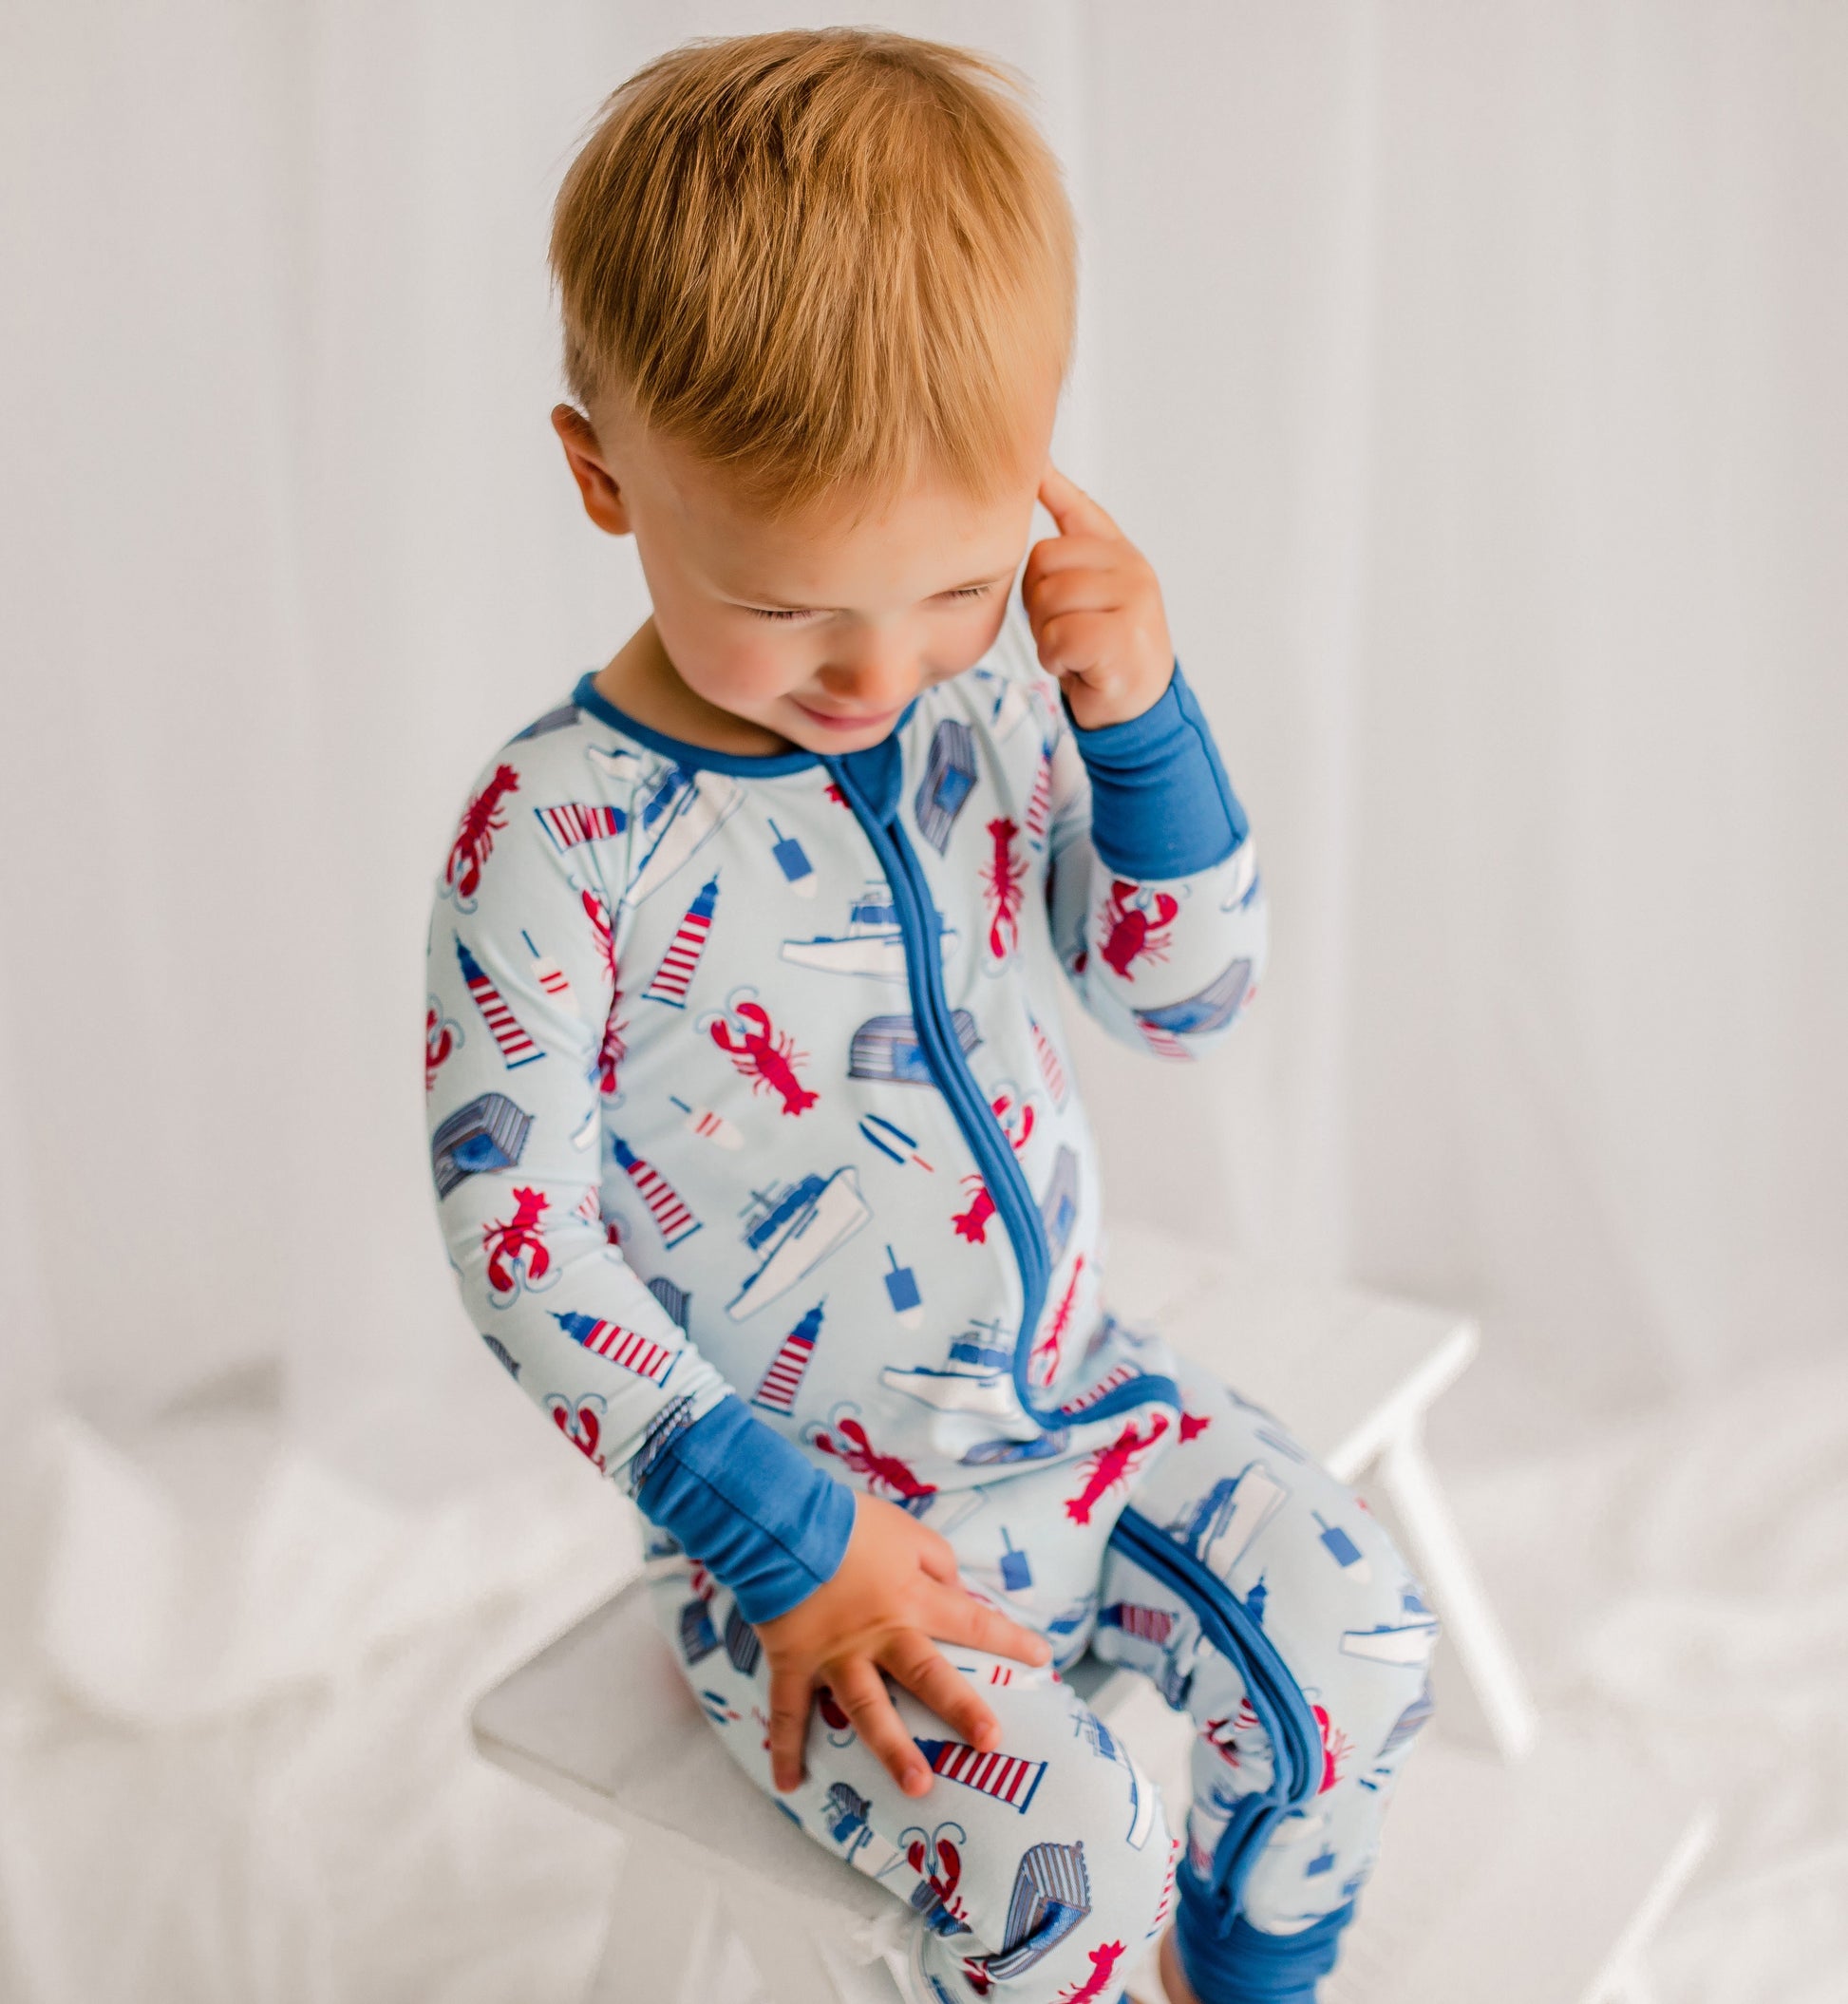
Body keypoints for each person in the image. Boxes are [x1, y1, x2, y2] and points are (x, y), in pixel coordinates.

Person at [423, 28, 1435, 2004]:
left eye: (958, 582)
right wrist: (775, 1531)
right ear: (601, 470)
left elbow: (1184, 990)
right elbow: (519, 1242)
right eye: (793, 603)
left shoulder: (979, 707)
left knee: (1360, 1639)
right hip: (804, 1531)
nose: (874, 669)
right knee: (1065, 1857)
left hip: (1084, 1408)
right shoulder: (559, 834)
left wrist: (1134, 721)